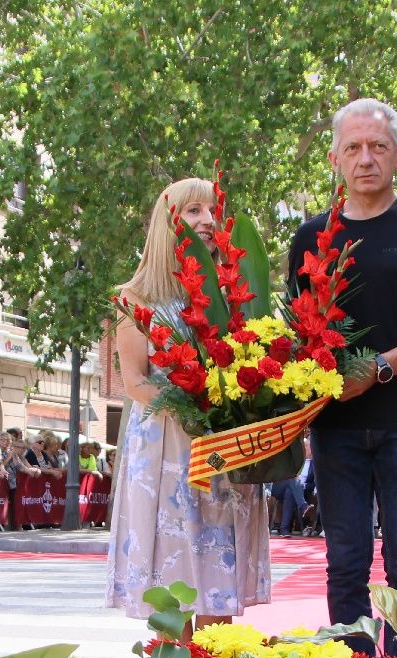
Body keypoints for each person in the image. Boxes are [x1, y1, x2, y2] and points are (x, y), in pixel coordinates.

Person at [287, 99, 397, 648]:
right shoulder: (310, 238)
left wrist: (379, 367)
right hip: (335, 426)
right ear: (335, 158)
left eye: (378, 147)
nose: (366, 158)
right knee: (344, 566)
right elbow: (299, 338)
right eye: (353, 147)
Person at [106, 177, 271, 622]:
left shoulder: (233, 291)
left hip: (221, 450)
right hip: (166, 451)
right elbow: (135, 382)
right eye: (193, 210)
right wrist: (193, 403)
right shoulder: (135, 296)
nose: (206, 220)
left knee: (217, 589)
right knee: (171, 594)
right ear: (168, 220)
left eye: (211, 210)